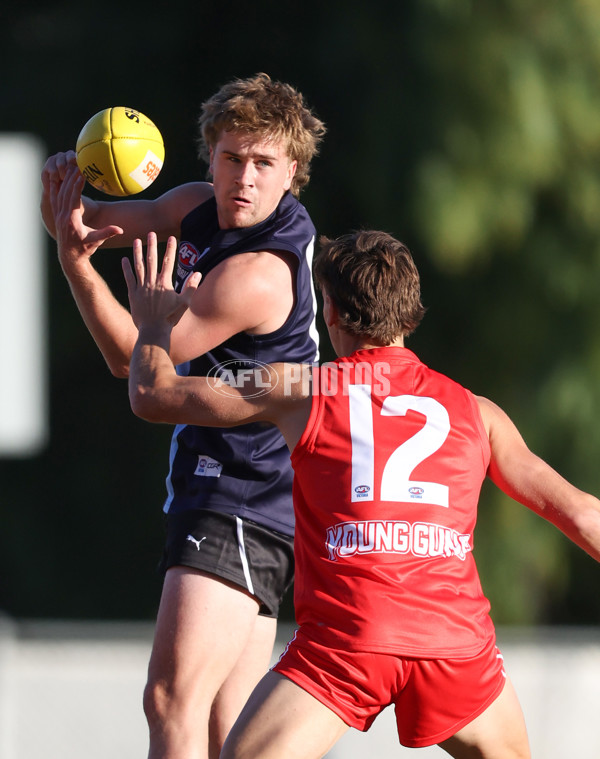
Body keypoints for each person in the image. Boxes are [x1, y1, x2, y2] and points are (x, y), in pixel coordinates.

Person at [123, 228, 600, 759]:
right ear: (412, 315)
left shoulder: (302, 389)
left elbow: (153, 394)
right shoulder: (476, 412)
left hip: (348, 640)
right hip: (454, 645)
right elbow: (582, 515)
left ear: (329, 311)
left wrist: (152, 325)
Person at [40, 73, 326, 759]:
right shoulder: (201, 206)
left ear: (293, 171)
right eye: (232, 158)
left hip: (239, 492)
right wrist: (67, 190)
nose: (244, 179)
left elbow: (137, 370)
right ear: (210, 156)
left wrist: (77, 269)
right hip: (260, 499)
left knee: (171, 698)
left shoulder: (254, 275)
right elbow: (98, 223)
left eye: (263, 164)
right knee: (231, 734)